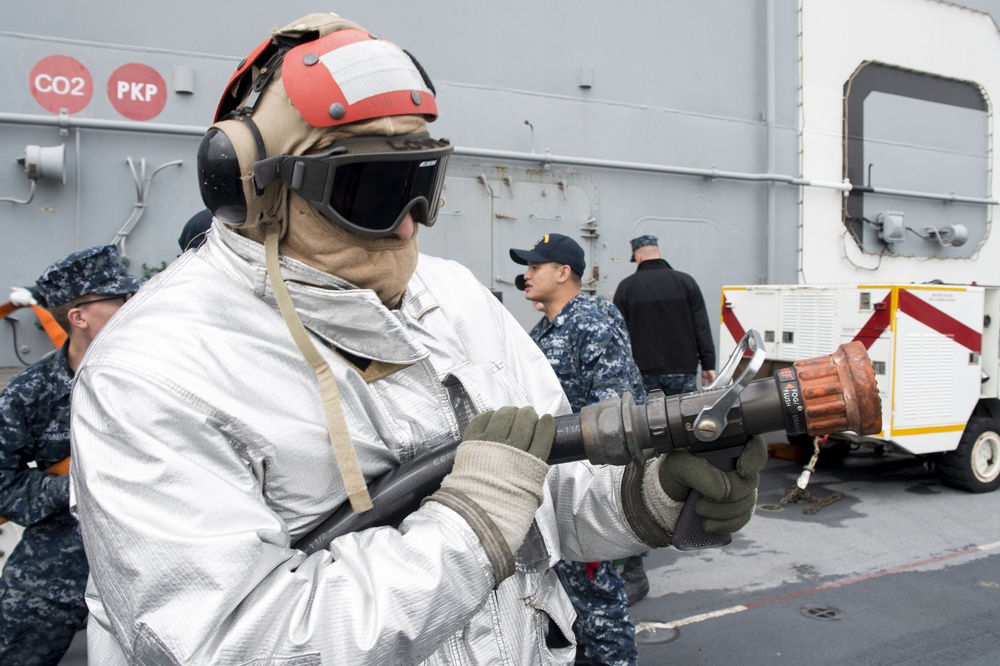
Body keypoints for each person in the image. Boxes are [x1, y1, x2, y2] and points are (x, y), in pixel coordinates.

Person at [69, 13, 766, 665]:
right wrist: (471, 527)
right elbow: (228, 642)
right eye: (373, 190)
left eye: (422, 183)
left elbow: (548, 493)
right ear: (254, 189)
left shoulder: (455, 298)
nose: (410, 225)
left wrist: (650, 497)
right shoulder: (154, 371)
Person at [0, 245, 142, 665]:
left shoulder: (158, 371)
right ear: (79, 317)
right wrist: (75, 488)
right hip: (63, 548)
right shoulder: (31, 393)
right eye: (118, 299)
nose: (131, 305)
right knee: (19, 632)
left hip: (145, 544)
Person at [511, 233, 645, 666]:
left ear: (563, 272)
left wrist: (593, 488)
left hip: (587, 484)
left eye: (535, 267)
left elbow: (613, 414)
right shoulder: (544, 329)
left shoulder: (591, 322)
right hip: (553, 480)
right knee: (568, 597)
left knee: (599, 599)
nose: (525, 275)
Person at [612, 234, 719, 606]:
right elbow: (700, 323)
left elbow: (619, 336)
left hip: (642, 373)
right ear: (658, 252)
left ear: (638, 256)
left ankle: (651, 495)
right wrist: (708, 362)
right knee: (683, 436)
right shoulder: (686, 282)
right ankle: (688, 498)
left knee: (648, 439)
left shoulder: (626, 287)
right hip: (679, 370)